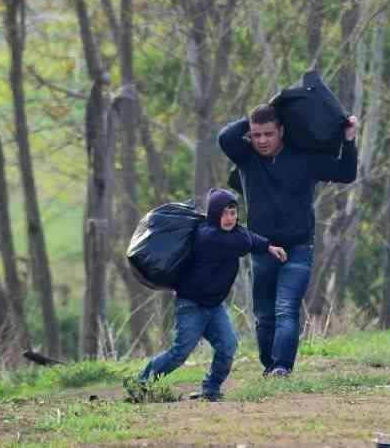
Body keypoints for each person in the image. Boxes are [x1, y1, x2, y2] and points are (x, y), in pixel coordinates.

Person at [218, 104, 358, 378]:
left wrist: (350, 139)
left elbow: (346, 173)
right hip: (262, 248)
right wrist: (273, 104)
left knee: (286, 308)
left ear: (282, 131)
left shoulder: (303, 158)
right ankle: (269, 365)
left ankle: (282, 367)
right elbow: (225, 137)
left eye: (268, 134)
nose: (262, 141)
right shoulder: (247, 158)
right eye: (256, 135)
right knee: (264, 315)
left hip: (298, 248)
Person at [135, 188, 288, 401]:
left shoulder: (229, 233)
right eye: (223, 213)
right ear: (214, 214)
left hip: (214, 306)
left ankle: (211, 389)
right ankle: (139, 384)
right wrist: (262, 243)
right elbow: (244, 241)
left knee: (228, 346)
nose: (229, 218)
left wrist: (268, 246)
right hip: (191, 305)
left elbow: (246, 235)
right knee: (180, 352)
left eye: (233, 213)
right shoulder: (209, 237)